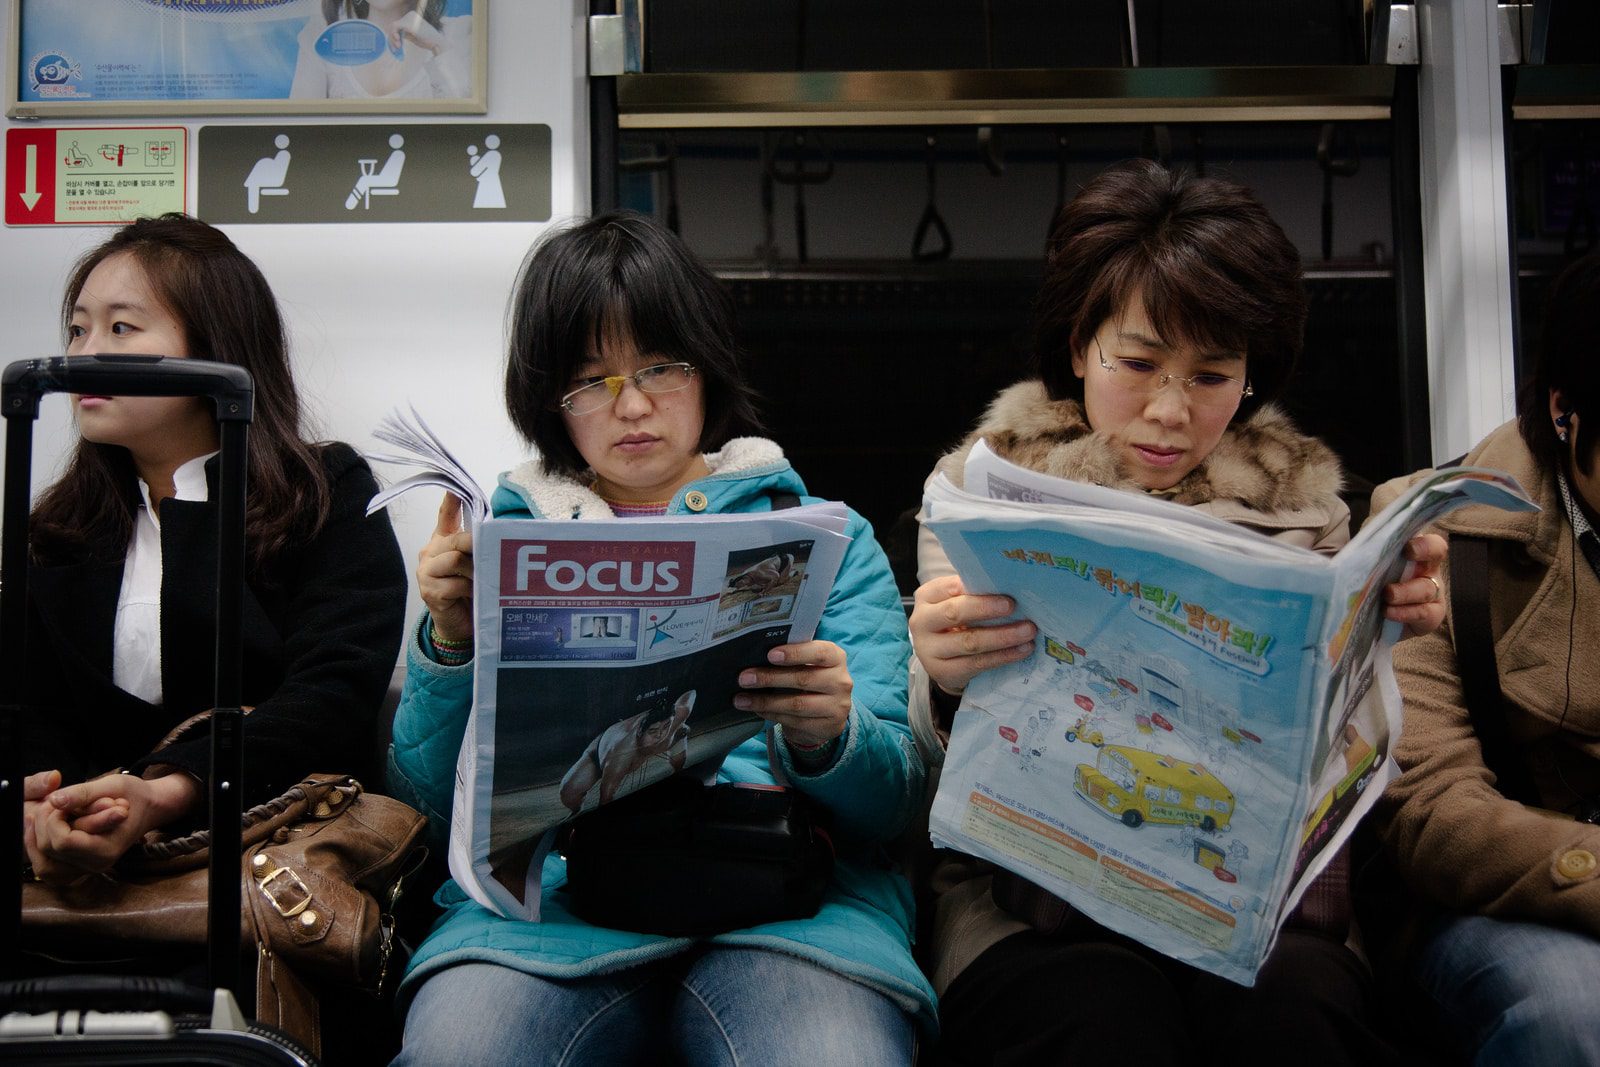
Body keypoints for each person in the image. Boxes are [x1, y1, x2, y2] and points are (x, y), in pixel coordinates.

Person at [906, 159, 1446, 1065]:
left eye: (1211, 375)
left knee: (1294, 1014)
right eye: (1138, 363)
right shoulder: (983, 493)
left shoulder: (1307, 515)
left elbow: (1343, 744)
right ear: (1078, 348)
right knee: (1098, 1017)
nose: (1169, 410)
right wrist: (940, 673)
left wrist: (1389, 631)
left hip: (1255, 906)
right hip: (1032, 903)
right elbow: (928, 748)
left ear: (1251, 378)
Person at [387, 211, 934, 1065]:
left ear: (706, 368)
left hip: (785, 904)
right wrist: (450, 641)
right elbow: (423, 808)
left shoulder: (821, 537)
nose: (633, 405)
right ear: (549, 399)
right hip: (557, 909)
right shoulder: (506, 542)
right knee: (463, 1052)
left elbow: (892, 804)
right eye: (591, 380)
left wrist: (830, 735)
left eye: (660, 367)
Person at [20, 213, 407, 886]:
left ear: (215, 343)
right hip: (76, 873)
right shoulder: (59, 528)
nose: (85, 354)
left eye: (121, 327)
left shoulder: (323, 492)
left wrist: (168, 793)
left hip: (265, 862)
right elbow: (29, 712)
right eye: (78, 329)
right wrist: (39, 811)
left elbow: (334, 694)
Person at [1372, 250, 1600, 1064]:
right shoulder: (1435, 535)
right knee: (1576, 1014)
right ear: (1565, 410)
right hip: (1507, 899)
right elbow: (1432, 807)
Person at [290, 0, 472, 101]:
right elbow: (300, 138)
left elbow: (470, 134)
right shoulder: (322, 37)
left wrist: (439, 47)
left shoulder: (458, 34)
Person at [559, 689, 696, 813]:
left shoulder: (678, 716)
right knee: (568, 795)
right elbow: (606, 798)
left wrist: (678, 731)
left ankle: (677, 777)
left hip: (676, 736)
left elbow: (692, 693)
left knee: (679, 763)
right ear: (640, 731)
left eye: (665, 727)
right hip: (602, 753)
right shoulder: (621, 752)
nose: (660, 735)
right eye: (653, 732)